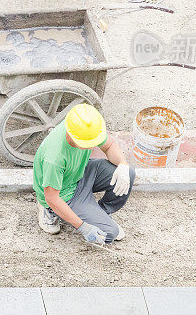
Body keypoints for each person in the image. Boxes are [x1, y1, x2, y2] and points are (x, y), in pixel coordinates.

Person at [32, 104, 135, 244]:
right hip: (64, 194)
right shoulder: (55, 157)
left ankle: (101, 212)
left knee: (128, 172)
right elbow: (52, 198)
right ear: (73, 135)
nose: (93, 146)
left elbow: (109, 145)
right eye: (88, 143)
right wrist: (83, 227)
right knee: (109, 234)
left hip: (80, 172)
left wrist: (123, 164)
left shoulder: (83, 126)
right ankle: (49, 211)